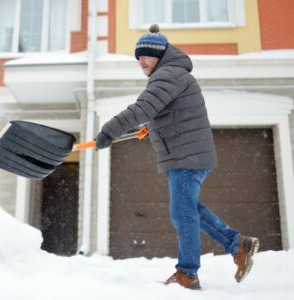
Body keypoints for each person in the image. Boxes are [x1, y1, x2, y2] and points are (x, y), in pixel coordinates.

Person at [95, 24, 259, 290]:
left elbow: (143, 108)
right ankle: (237, 244)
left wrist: (108, 131)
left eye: (146, 55)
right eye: (138, 56)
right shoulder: (173, 74)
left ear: (159, 54)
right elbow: (168, 111)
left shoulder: (167, 75)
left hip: (186, 157)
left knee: (182, 214)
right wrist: (153, 126)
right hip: (190, 155)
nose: (141, 61)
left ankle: (187, 273)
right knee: (189, 210)